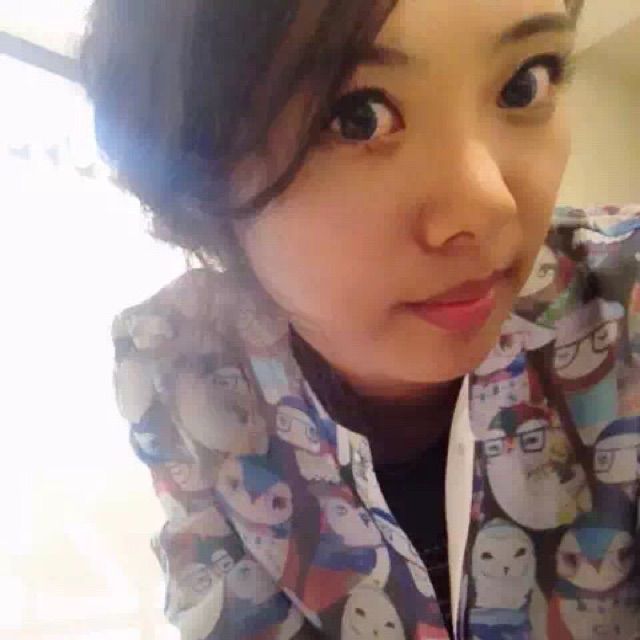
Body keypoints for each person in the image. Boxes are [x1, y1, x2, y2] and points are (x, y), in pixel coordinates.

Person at [81, 0, 640, 637]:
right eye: (358, 117)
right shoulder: (178, 366)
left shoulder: (624, 300)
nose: (488, 206)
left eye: (524, 84)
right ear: (199, 177)